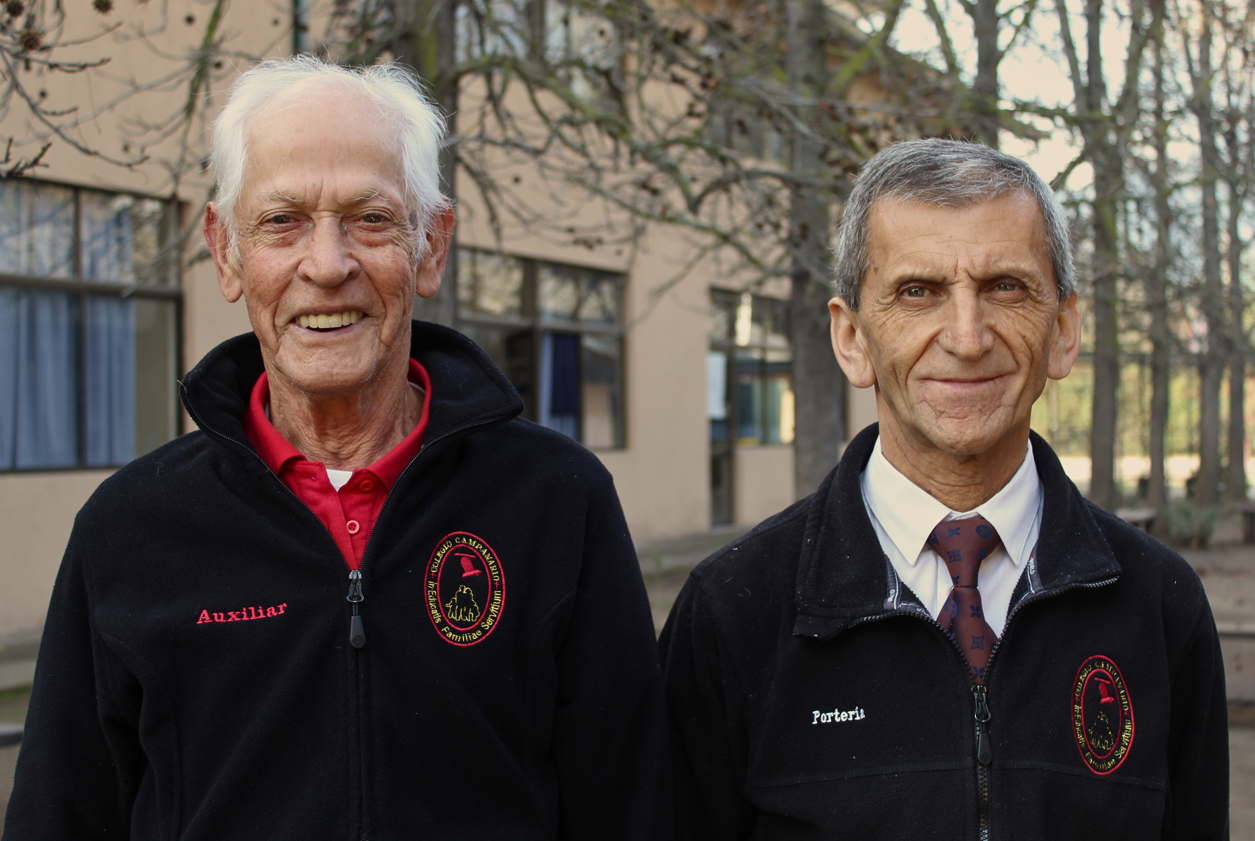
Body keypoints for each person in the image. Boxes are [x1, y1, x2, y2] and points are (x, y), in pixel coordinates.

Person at [3, 56, 670, 840]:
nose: (327, 265)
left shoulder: (557, 499)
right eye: (282, 221)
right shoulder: (128, 528)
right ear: (226, 251)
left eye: (370, 218)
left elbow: (632, 810)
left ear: (431, 246)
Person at [661, 139, 1228, 840]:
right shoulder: (732, 611)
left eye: (1005, 287)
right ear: (852, 339)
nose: (966, 337)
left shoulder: (1159, 607)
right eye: (918, 292)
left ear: (1062, 330)